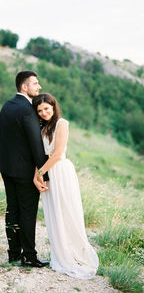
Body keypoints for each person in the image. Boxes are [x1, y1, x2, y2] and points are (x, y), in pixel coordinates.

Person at [32, 93, 99, 279]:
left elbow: (58, 152)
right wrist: (36, 176)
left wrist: (40, 173)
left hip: (60, 171)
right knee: (53, 213)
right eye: (40, 110)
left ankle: (73, 255)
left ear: (53, 107)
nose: (44, 113)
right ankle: (60, 255)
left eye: (47, 108)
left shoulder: (62, 123)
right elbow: (40, 155)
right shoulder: (42, 127)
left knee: (67, 212)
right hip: (47, 172)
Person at [0, 71, 49, 268]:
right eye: (35, 83)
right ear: (24, 87)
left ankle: (14, 254)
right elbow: (36, 145)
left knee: (12, 210)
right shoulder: (27, 110)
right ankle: (30, 257)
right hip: (25, 171)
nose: (39, 86)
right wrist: (44, 173)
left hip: (6, 167)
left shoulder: (7, 106)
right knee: (27, 212)